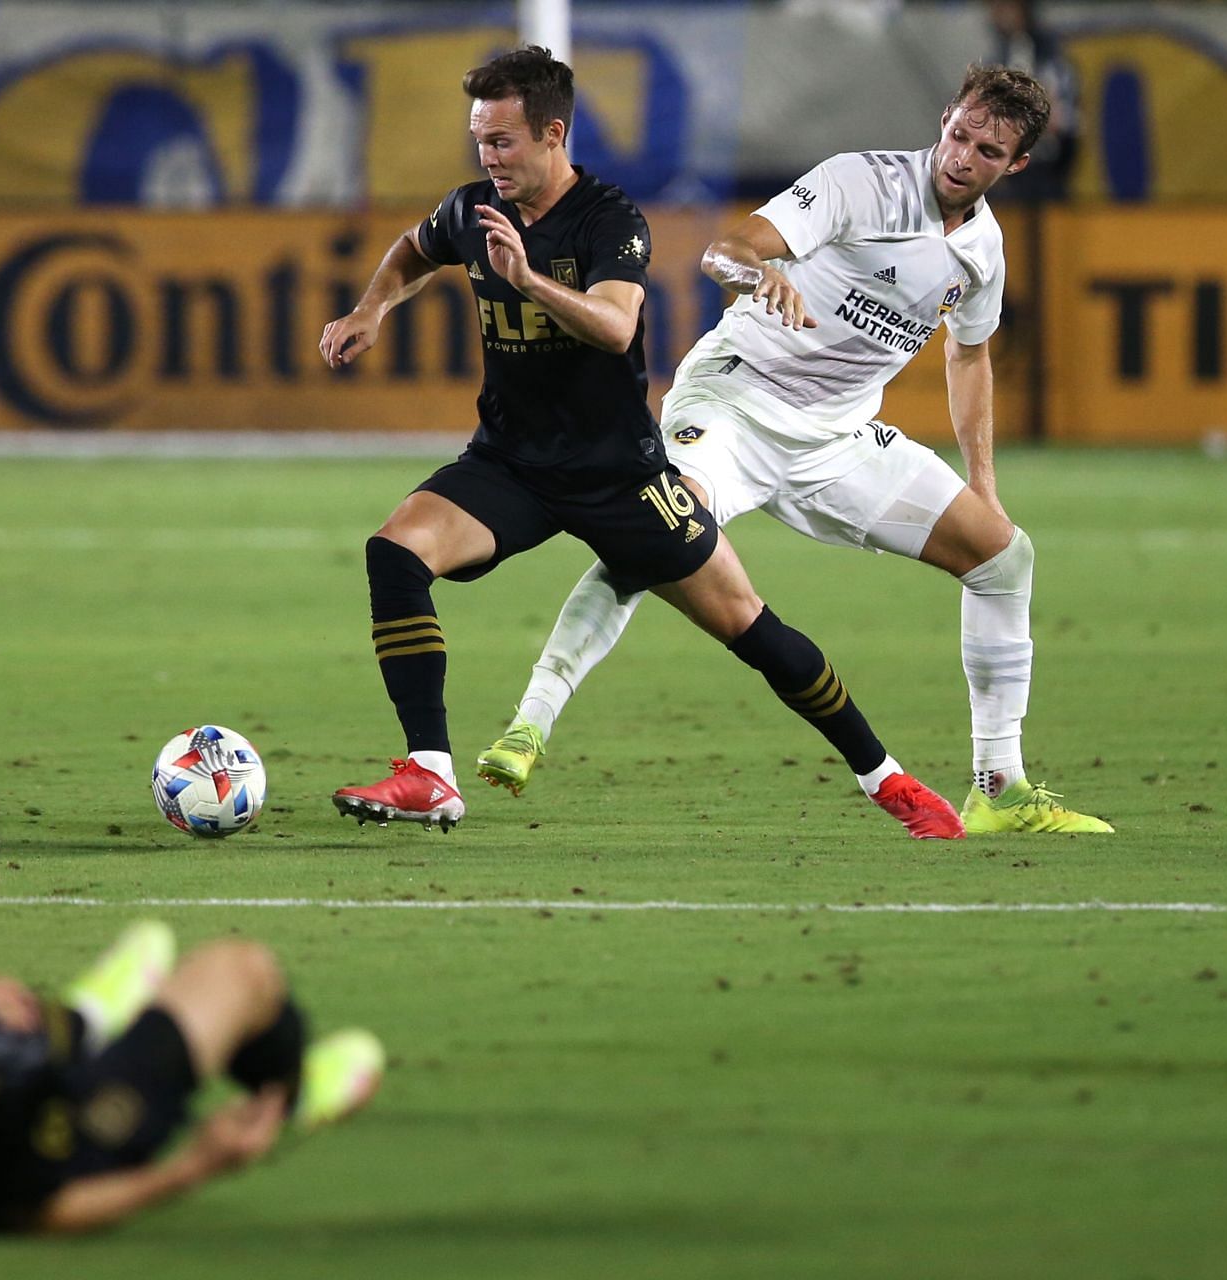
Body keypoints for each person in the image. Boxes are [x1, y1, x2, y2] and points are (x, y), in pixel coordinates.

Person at [322, 46, 963, 840]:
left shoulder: (610, 220)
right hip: (512, 465)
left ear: (553, 134)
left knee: (751, 629)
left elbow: (616, 324)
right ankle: (430, 773)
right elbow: (415, 251)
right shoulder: (470, 210)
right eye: (480, 140)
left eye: (503, 142)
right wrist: (371, 310)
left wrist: (527, 282)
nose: (488, 159)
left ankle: (887, 779)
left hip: (621, 476)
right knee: (395, 552)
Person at [477, 64, 1112, 835]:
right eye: (958, 133)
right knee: (656, 533)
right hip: (737, 404)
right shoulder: (860, 182)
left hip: (838, 440)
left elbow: (969, 354)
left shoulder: (981, 250)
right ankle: (530, 724)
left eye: (986, 151)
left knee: (1003, 557)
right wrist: (761, 273)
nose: (960, 156)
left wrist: (983, 481)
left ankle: (999, 786)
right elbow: (728, 248)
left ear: (1014, 165)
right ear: (944, 118)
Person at [0, 765, 384, 1234]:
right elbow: (48, 1210)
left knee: (44, 1025)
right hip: (75, 1128)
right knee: (242, 970)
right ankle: (286, 1098)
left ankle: (86, 1019)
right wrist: (194, 1166)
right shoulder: (9, 1062)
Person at [985, 0, 1077, 204]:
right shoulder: (1001, 54)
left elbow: (1062, 116)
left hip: (1044, 163)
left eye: (1003, 8)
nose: (995, 15)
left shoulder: (1044, 57)